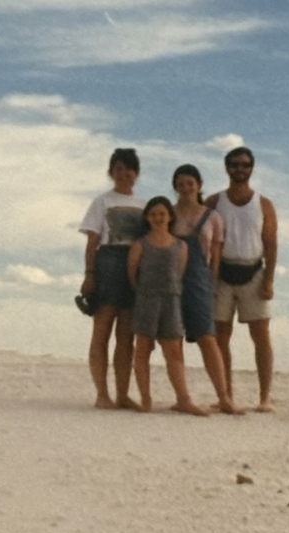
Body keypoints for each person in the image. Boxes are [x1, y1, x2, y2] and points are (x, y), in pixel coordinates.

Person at [205, 147, 278, 412]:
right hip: (222, 274)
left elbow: (270, 243)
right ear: (227, 168)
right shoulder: (214, 202)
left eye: (245, 165)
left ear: (252, 168)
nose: (240, 169)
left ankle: (265, 396)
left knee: (261, 335)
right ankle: (226, 395)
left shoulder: (263, 204)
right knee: (220, 335)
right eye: (234, 164)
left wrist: (268, 279)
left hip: (253, 273)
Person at [171, 164, 245, 415]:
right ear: (175, 187)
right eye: (180, 184)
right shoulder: (167, 214)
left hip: (199, 280)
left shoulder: (213, 217)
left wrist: (212, 286)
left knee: (207, 338)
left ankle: (224, 397)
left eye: (190, 183)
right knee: (173, 340)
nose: (185, 188)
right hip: (170, 281)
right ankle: (183, 398)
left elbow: (215, 257)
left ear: (199, 185)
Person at [127, 196, 208, 417]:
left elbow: (179, 274)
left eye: (162, 214)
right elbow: (132, 274)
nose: (158, 218)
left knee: (173, 351)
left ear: (170, 216)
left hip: (171, 301)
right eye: (153, 214)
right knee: (142, 350)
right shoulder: (139, 245)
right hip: (146, 301)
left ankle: (184, 400)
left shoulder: (180, 245)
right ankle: (145, 400)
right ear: (147, 218)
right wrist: (144, 293)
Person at [78, 148, 145, 410]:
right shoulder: (101, 202)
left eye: (129, 168)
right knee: (102, 330)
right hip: (107, 264)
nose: (124, 173)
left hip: (133, 266)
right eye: (118, 167)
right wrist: (89, 274)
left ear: (136, 173)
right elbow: (92, 241)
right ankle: (102, 394)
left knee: (127, 336)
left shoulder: (143, 205)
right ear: (111, 172)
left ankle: (123, 394)